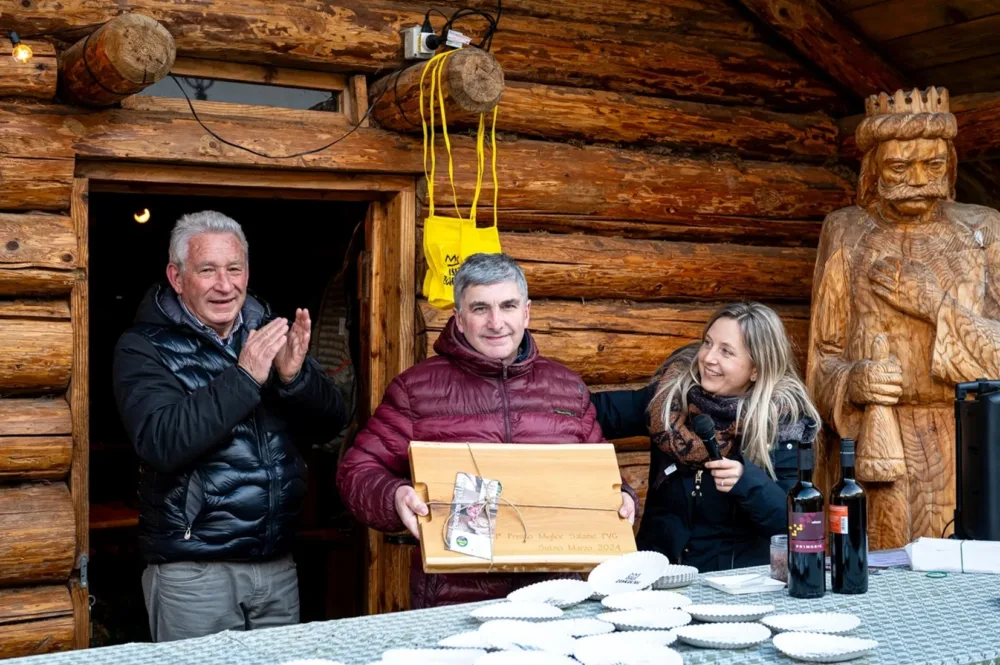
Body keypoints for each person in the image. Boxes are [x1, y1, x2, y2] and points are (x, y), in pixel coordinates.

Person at [336, 252, 637, 608]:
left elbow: (602, 477)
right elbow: (357, 471)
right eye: (480, 309)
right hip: (456, 602)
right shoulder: (416, 390)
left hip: (557, 598)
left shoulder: (566, 387)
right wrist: (395, 496)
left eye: (508, 306)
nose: (497, 322)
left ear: (526, 313)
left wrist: (626, 499)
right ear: (459, 319)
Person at [112, 211, 345, 642]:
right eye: (207, 270)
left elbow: (332, 422)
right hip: (195, 571)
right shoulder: (142, 347)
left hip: (276, 564)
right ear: (177, 276)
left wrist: (296, 378)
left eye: (234, 268)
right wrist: (244, 378)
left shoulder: (265, 331)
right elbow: (162, 442)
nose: (225, 284)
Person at [808, 86, 1000, 549]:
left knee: (966, 580)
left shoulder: (985, 230)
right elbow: (820, 359)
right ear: (873, 170)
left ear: (950, 165)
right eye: (899, 167)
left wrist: (935, 304)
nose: (918, 179)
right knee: (876, 571)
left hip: (968, 447)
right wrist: (852, 382)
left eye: (932, 165)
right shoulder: (846, 232)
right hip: (877, 441)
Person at [592, 302, 820, 572]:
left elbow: (797, 526)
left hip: (734, 589)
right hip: (657, 578)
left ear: (756, 369)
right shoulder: (668, 402)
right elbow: (588, 412)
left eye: (726, 351)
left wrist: (747, 482)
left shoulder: (783, 425)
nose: (709, 358)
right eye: (708, 343)